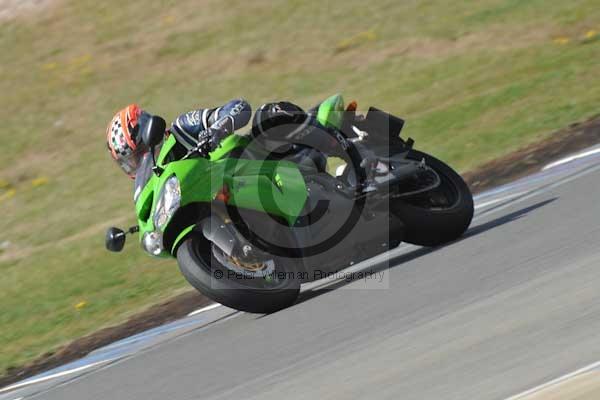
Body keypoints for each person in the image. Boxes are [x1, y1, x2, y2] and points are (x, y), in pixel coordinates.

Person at [106, 99, 333, 178]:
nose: (139, 164)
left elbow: (239, 107)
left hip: (259, 161)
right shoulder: (158, 182)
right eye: (131, 163)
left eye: (138, 155)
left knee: (269, 114)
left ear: (149, 133)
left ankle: (340, 145)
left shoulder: (183, 129)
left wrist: (217, 130)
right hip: (235, 196)